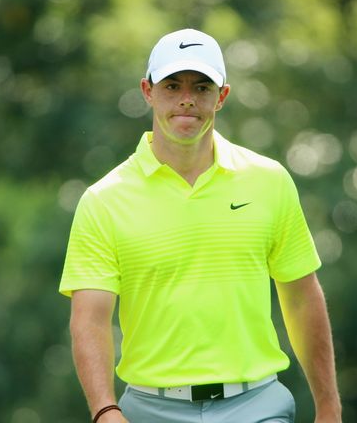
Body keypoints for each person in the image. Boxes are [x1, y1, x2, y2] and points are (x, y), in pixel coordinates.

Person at [59, 28, 342, 423]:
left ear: (222, 95)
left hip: (257, 407)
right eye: (172, 86)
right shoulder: (103, 200)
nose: (187, 99)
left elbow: (301, 298)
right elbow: (89, 320)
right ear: (147, 91)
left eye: (202, 86)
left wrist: (329, 406)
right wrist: (106, 411)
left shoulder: (269, 181)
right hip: (149, 411)